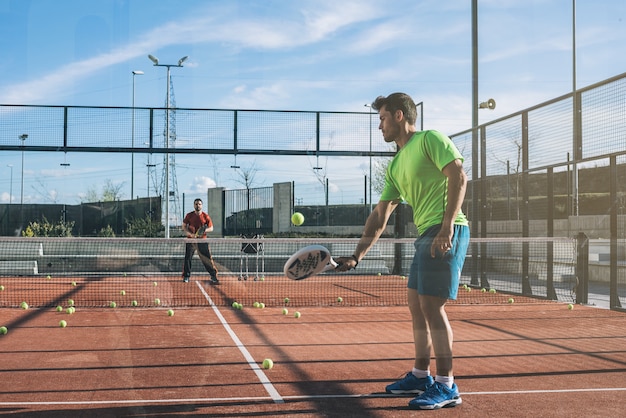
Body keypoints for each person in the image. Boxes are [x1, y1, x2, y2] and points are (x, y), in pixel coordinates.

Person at [336, 93, 469, 410]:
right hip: (425, 234)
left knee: (432, 307)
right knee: (416, 305)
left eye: (382, 118)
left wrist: (447, 226)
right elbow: (380, 216)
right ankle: (421, 374)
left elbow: (458, 176)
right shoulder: (395, 165)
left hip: (446, 229)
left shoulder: (429, 140)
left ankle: (447, 385)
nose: (379, 125)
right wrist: (357, 256)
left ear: (398, 116)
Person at [181, 198, 219, 284]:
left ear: (202, 205)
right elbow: (183, 227)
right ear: (194, 205)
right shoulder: (189, 215)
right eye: (196, 204)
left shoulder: (206, 216)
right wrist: (191, 235)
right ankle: (186, 276)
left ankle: (213, 275)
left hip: (202, 241)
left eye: (199, 204)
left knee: (207, 259)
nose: (198, 205)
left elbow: (211, 228)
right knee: (188, 258)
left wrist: (204, 231)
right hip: (191, 241)